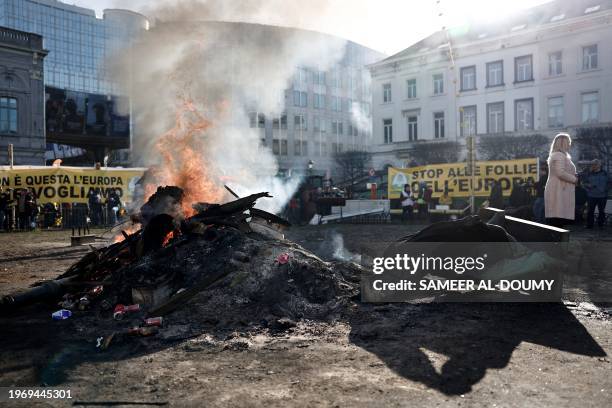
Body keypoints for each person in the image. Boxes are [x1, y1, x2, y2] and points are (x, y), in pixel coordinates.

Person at [544, 133, 577, 228]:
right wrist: (574, 179)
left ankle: (557, 241)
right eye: (568, 142)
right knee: (556, 222)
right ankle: (557, 242)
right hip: (558, 190)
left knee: (556, 221)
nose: (570, 144)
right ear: (563, 143)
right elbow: (560, 173)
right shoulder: (559, 155)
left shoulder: (559, 155)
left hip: (559, 189)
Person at [582, 159, 608, 229]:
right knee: (590, 211)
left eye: (596, 164)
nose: (594, 165)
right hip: (591, 195)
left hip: (602, 196)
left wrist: (605, 190)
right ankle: (589, 225)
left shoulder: (605, 173)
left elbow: (609, 183)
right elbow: (584, 183)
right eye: (593, 164)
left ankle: (601, 225)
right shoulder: (589, 174)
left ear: (600, 165)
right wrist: (588, 187)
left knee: (601, 211)